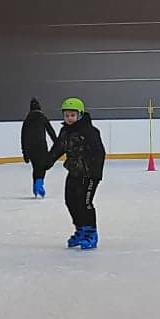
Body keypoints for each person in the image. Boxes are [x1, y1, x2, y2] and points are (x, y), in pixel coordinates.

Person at [44, 97, 106, 248]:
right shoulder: (65, 131)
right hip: (74, 172)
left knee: (85, 203)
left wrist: (96, 174)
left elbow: (99, 152)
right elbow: (58, 149)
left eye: (72, 115)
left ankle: (91, 233)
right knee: (71, 201)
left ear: (80, 114)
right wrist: (45, 163)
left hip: (89, 174)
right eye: (66, 115)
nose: (69, 118)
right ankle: (80, 229)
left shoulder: (90, 132)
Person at [20, 98, 58, 198]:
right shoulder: (42, 117)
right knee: (41, 167)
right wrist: (57, 143)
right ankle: (39, 184)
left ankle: (35, 186)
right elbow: (51, 131)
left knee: (35, 167)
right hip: (41, 146)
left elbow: (23, 136)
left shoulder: (27, 120)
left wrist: (25, 153)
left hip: (30, 148)